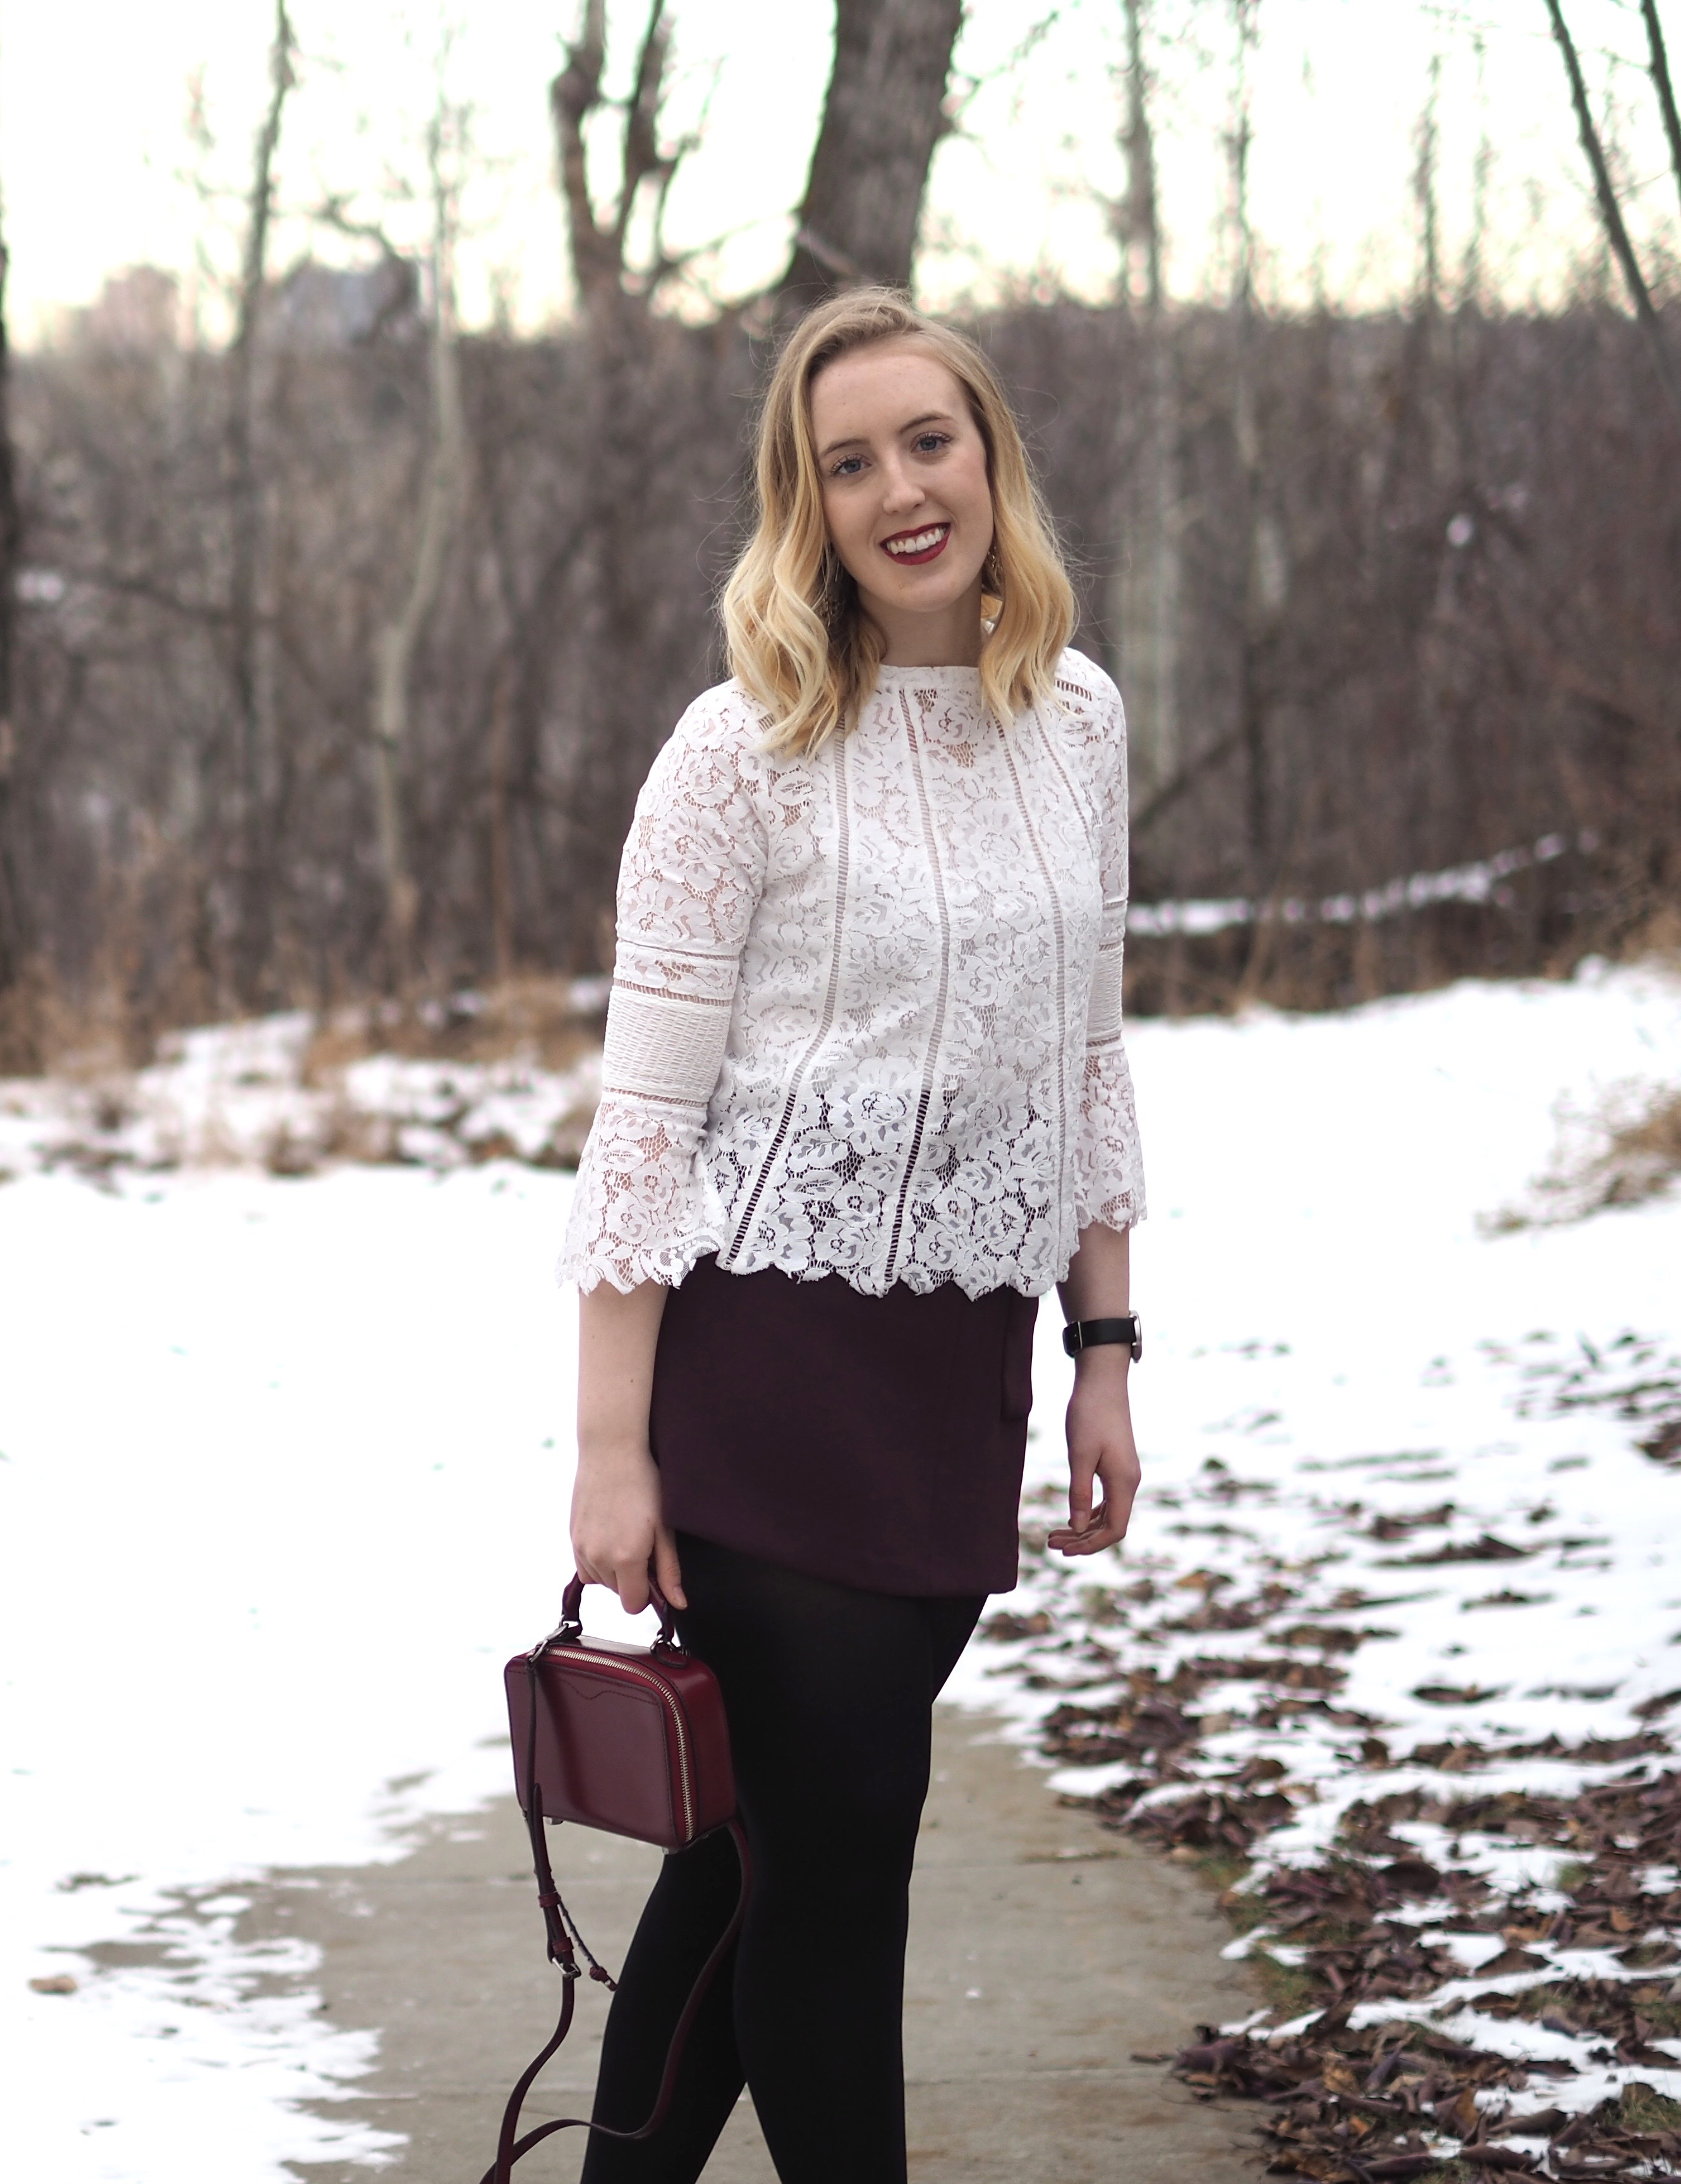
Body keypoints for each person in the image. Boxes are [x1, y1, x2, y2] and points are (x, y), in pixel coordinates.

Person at [554, 287, 1146, 2184]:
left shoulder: (1078, 723)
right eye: (849, 463)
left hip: (953, 1386)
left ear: (991, 456)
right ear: (800, 508)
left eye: (930, 442)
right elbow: (646, 1120)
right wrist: (609, 1449)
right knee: (837, 1885)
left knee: (754, 1866)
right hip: (775, 1387)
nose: (902, 491)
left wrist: (1104, 1353)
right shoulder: (736, 757)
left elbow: (1087, 1054)